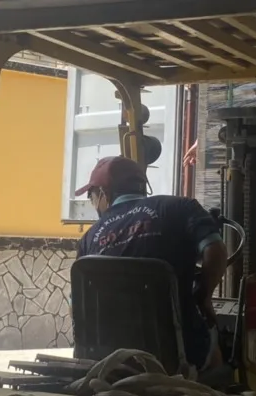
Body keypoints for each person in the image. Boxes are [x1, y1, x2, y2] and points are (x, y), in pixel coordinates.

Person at [75, 155, 228, 372]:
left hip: (109, 361)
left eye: (91, 197)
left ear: (103, 193)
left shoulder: (88, 239)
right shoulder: (181, 207)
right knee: (216, 350)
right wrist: (204, 297)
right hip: (179, 355)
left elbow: (77, 306)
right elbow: (216, 249)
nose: (93, 204)